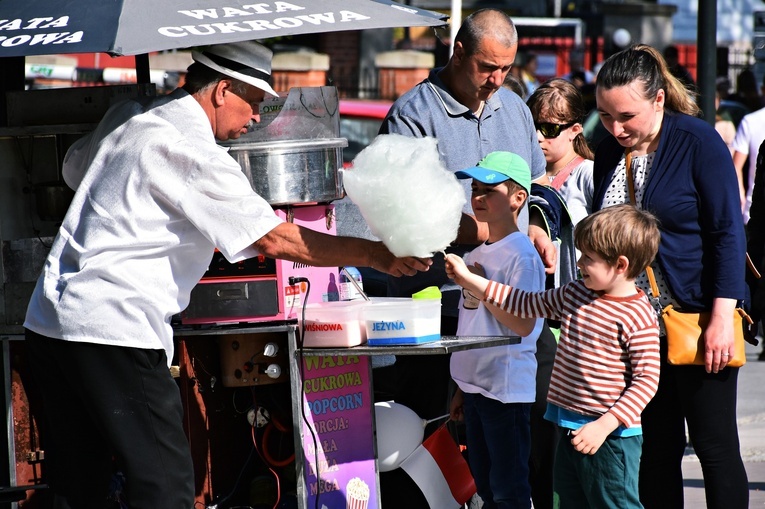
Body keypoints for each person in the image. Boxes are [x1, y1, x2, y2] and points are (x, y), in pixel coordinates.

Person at [22, 40, 431, 509]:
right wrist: (378, 255)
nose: (255, 118)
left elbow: (75, 168)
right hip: (111, 325)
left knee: (81, 486)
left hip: (50, 321)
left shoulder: (133, 118)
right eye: (254, 104)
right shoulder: (192, 150)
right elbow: (276, 240)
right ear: (220, 91)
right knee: (166, 485)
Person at [593, 43, 749, 508]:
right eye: (603, 115)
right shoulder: (606, 151)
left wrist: (722, 316)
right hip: (632, 327)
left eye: (626, 116)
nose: (615, 128)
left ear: (658, 99)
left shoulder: (697, 141)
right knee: (654, 450)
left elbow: (727, 232)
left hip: (696, 318)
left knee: (713, 446)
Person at [446, 203, 662, 509]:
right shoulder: (575, 293)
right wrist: (472, 281)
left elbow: (646, 380)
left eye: (589, 257)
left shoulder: (638, 314)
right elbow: (523, 303)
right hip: (566, 426)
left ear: (621, 265)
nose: (580, 263)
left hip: (610, 439)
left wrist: (605, 424)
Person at [448, 151, 546, 509]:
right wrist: (462, 387)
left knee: (509, 490)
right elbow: (470, 324)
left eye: (489, 189)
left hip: (506, 392)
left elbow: (524, 323)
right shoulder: (479, 251)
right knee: (486, 487)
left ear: (518, 198)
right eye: (474, 188)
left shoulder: (522, 255)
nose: (477, 197)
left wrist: (475, 284)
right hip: (477, 388)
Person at [526, 78, 594, 226]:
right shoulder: (522, 173)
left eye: (550, 129)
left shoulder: (588, 174)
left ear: (574, 130)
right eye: (532, 126)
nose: (537, 136)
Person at [731, 81, 765, 222]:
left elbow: (736, 166)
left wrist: (742, 197)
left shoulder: (751, 121)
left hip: (755, 210)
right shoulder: (751, 121)